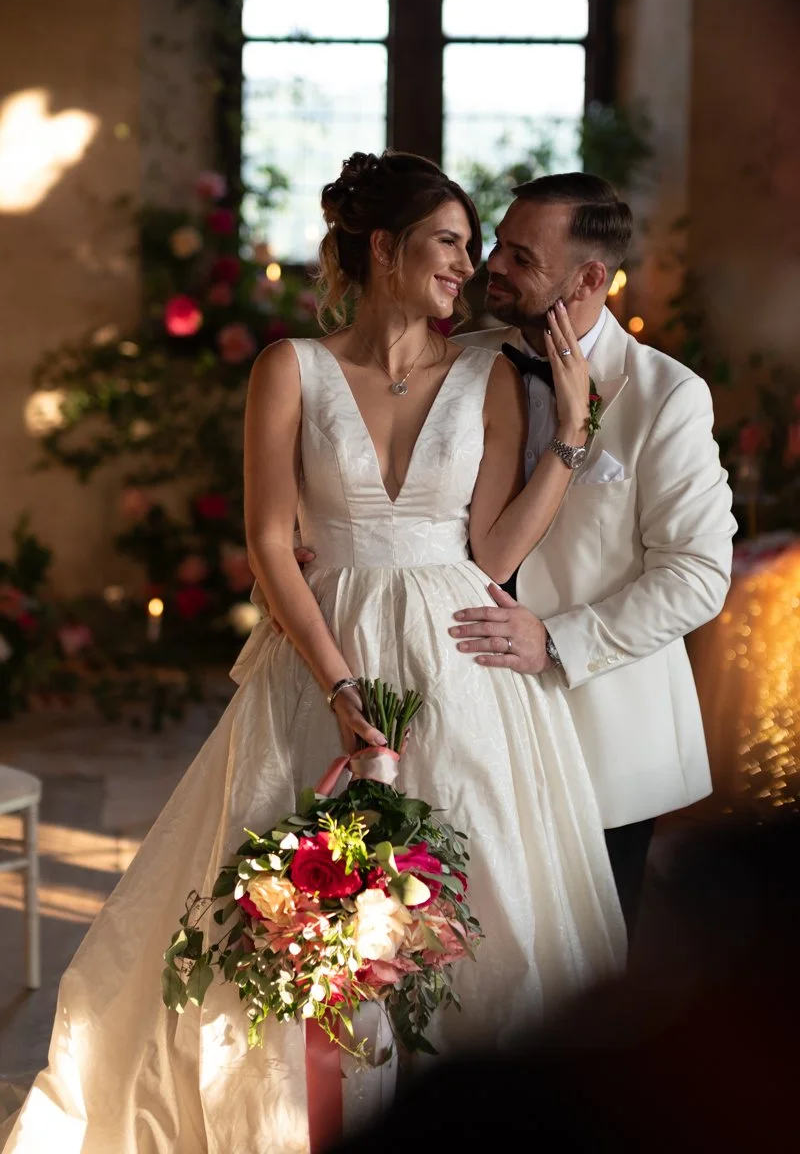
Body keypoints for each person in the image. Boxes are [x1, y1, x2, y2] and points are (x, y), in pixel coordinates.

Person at [0, 152, 625, 1154]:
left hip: (453, 654)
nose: (466, 267)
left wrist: (572, 425)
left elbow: (494, 552)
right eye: (448, 243)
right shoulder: (288, 367)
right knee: (297, 894)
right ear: (383, 248)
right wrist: (337, 681)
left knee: (474, 904)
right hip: (319, 648)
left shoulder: (488, 374)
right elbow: (264, 541)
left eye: (471, 247)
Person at [448, 173, 737, 934]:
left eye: (520, 256)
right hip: (463, 718)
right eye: (498, 246)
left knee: (587, 992)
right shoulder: (461, 365)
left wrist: (556, 641)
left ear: (588, 279)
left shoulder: (666, 396)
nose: (494, 268)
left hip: (600, 737)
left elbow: (697, 575)